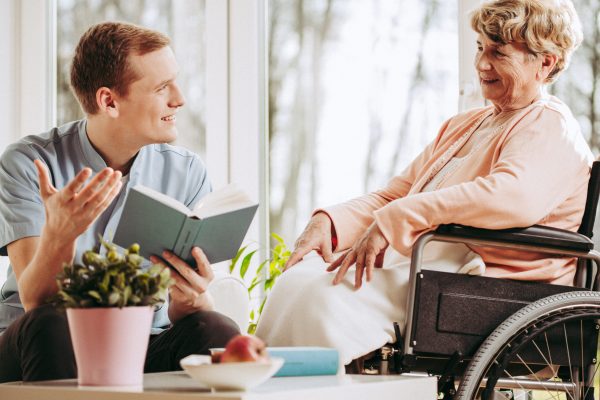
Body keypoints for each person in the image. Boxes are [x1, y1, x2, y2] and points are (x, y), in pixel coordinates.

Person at [255, 0, 594, 368]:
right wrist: (331, 221)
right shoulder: (466, 125)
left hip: (485, 281)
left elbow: (513, 197)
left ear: (545, 62)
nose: (482, 64)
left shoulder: (549, 124)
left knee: (323, 296)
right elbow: (396, 194)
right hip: (435, 267)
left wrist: (400, 216)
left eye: (498, 52)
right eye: (480, 47)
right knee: (298, 280)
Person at [0, 22, 239, 383]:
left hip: (140, 343)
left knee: (215, 328)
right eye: (162, 88)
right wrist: (59, 236)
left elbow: (180, 312)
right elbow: (37, 301)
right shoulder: (29, 163)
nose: (179, 98)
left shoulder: (186, 172)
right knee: (52, 323)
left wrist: (190, 300)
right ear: (109, 101)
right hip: (38, 342)